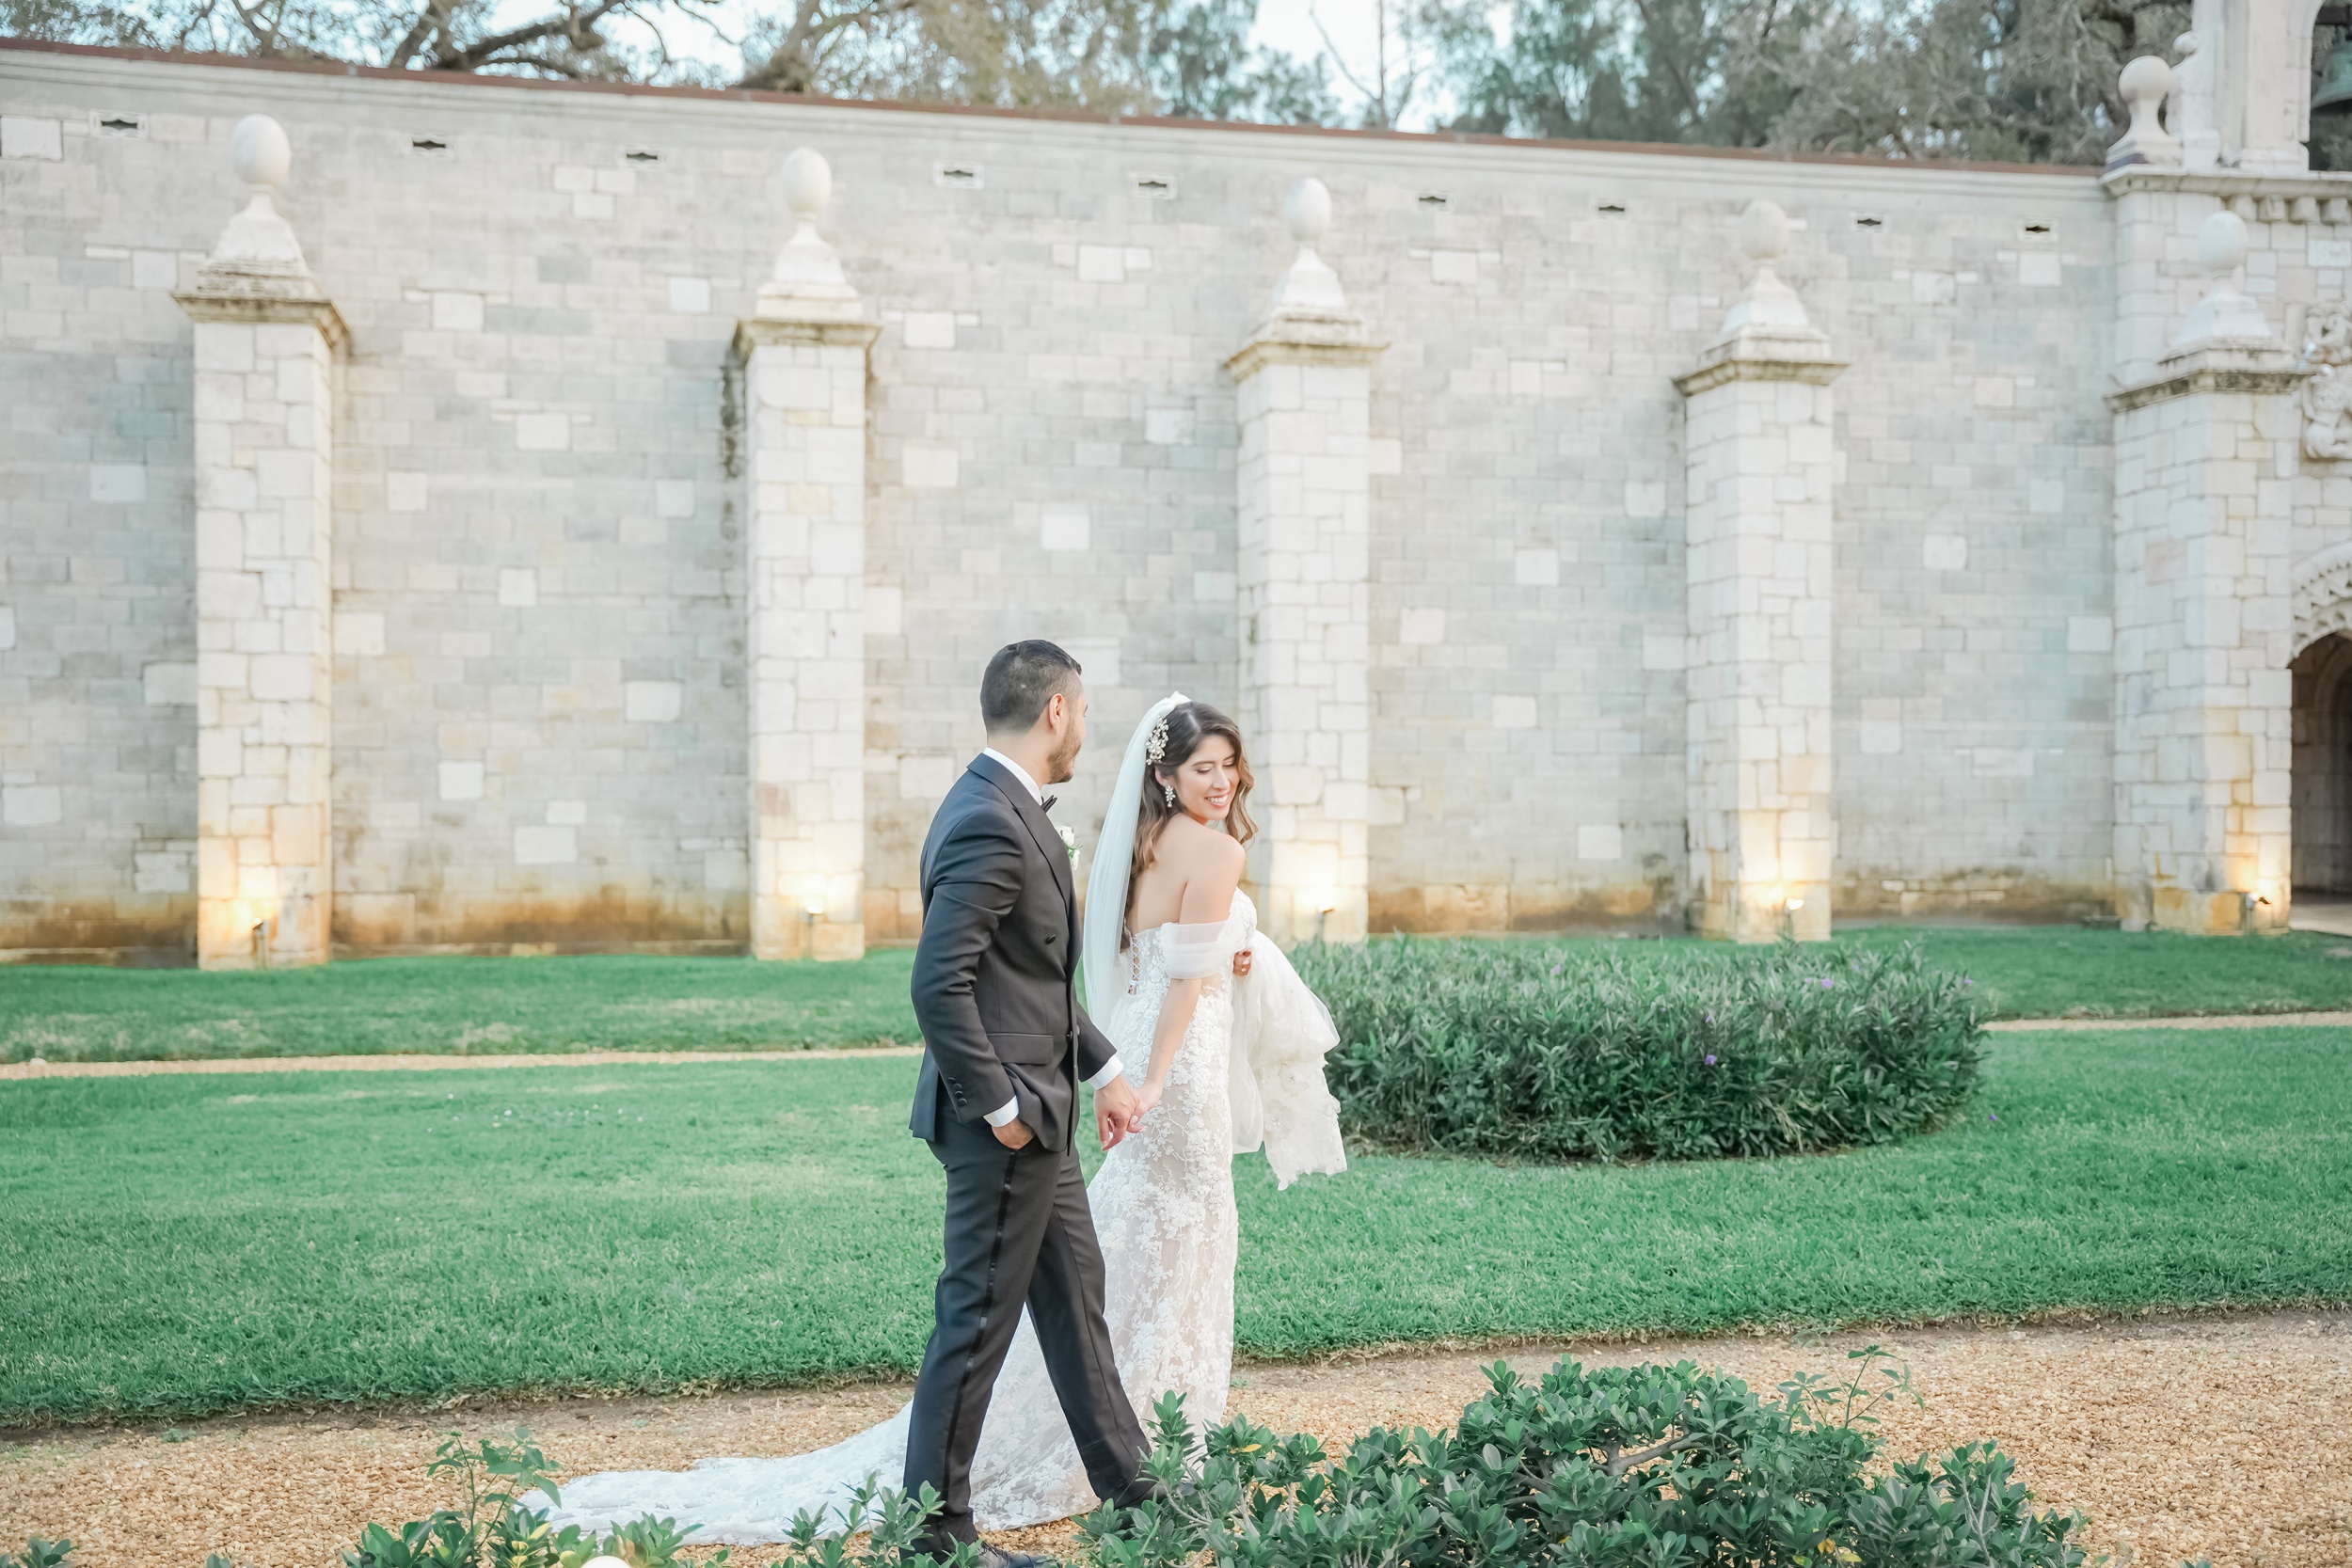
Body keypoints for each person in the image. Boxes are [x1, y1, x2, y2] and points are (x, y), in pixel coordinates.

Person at [534, 663, 1345, 1553]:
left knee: (1078, 1307)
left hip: (1050, 1113)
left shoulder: (1010, 808)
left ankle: (1136, 1491)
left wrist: (1108, 1070)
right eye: (1080, 712)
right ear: (1056, 709)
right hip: (1007, 1124)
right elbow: (938, 982)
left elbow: (1032, 984)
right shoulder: (989, 820)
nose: (1085, 732)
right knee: (974, 1326)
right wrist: (998, 1104)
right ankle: (939, 1536)